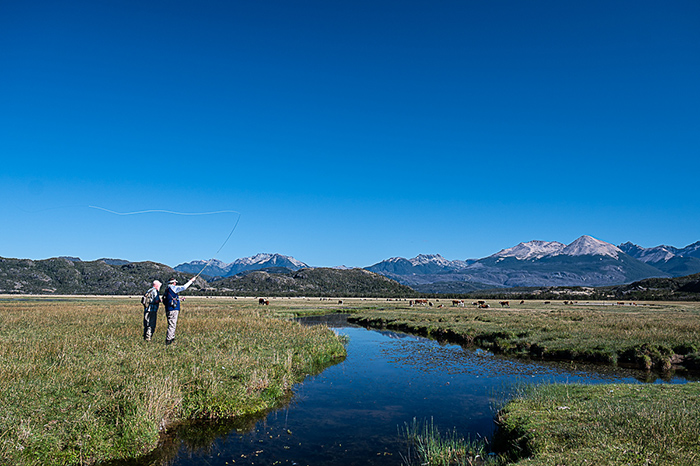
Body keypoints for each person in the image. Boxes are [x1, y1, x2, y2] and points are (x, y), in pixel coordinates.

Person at [163, 276, 196, 345]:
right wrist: (191, 280)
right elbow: (184, 287)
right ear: (173, 283)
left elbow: (169, 299)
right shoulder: (173, 288)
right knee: (172, 325)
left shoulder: (167, 289)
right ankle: (169, 341)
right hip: (173, 309)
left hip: (168, 309)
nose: (175, 283)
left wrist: (179, 299)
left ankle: (171, 339)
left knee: (172, 324)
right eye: (175, 282)